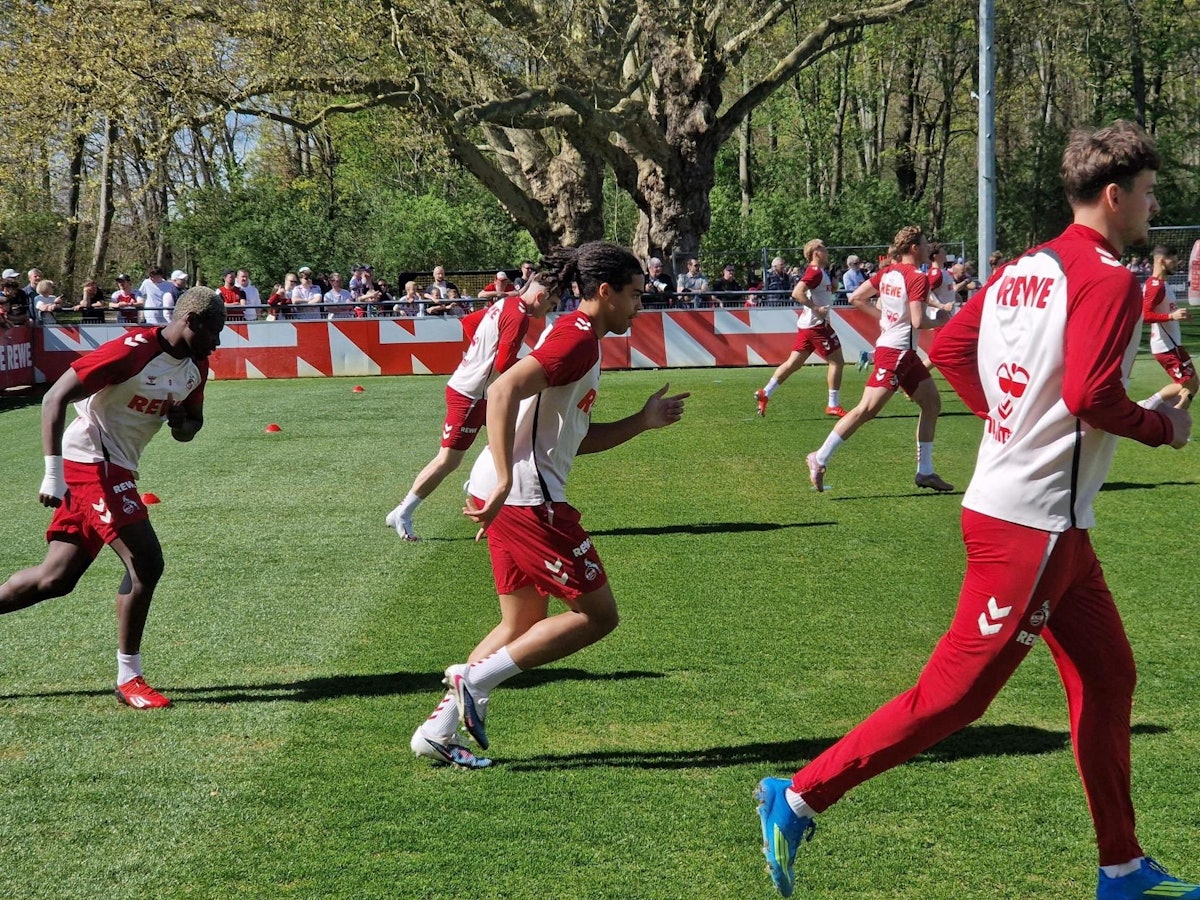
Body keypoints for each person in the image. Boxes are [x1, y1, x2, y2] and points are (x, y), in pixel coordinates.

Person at [755, 120, 1198, 900]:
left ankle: (1122, 869)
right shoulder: (1107, 280)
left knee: (1109, 677)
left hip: (1047, 522)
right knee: (957, 696)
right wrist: (1164, 427)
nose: (1153, 207)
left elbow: (953, 350)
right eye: (1151, 193)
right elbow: (1091, 396)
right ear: (1113, 194)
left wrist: (1005, 422)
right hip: (1032, 524)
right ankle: (796, 797)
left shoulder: (1023, 266)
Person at [410, 242, 688, 768]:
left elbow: (572, 438)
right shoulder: (578, 340)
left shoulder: (582, 340)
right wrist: (504, 482)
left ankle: (438, 731)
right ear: (604, 292)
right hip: (524, 498)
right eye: (633, 295)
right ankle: (473, 680)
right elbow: (501, 391)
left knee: (519, 624)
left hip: (506, 490)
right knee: (598, 616)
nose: (638, 306)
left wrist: (642, 421)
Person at [0, 287, 226, 709]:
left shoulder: (196, 367)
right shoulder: (133, 349)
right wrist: (53, 472)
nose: (218, 341)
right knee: (146, 562)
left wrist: (181, 422)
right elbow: (54, 397)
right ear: (191, 320)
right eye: (214, 330)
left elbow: (191, 427)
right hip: (90, 462)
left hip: (117, 466)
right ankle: (129, 678)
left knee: (55, 579)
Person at [385, 276, 558, 542]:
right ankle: (403, 512)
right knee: (448, 460)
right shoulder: (520, 316)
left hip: (479, 391)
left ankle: (479, 483)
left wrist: (477, 357)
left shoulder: (507, 303)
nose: (549, 312)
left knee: (512, 438)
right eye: (552, 305)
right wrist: (535, 363)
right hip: (470, 395)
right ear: (541, 297)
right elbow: (504, 363)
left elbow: (469, 323)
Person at [804, 226, 954, 493]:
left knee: (932, 403)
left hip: (902, 352)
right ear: (914, 248)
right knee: (866, 410)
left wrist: (885, 320)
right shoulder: (917, 278)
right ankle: (820, 457)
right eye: (924, 242)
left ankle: (926, 471)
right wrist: (940, 318)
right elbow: (919, 321)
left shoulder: (888, 272)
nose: (927, 246)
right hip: (896, 352)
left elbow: (856, 297)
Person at [754, 239, 848, 419]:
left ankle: (766, 392)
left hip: (808, 326)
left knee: (793, 363)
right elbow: (797, 292)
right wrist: (816, 309)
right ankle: (833, 405)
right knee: (837, 361)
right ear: (816, 253)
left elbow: (827, 291)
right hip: (817, 325)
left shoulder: (820, 272)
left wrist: (833, 283)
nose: (827, 252)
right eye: (824, 249)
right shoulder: (814, 271)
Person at [1138, 245, 1196, 410]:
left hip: (1174, 345)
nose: (1177, 265)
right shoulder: (1156, 286)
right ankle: (1151, 405)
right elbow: (1145, 315)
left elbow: (1166, 312)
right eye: (1174, 262)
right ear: (1162, 261)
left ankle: (1174, 421)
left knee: (1193, 384)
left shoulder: (1163, 284)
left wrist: (1179, 315)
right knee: (1188, 384)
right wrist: (1172, 316)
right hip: (1165, 347)